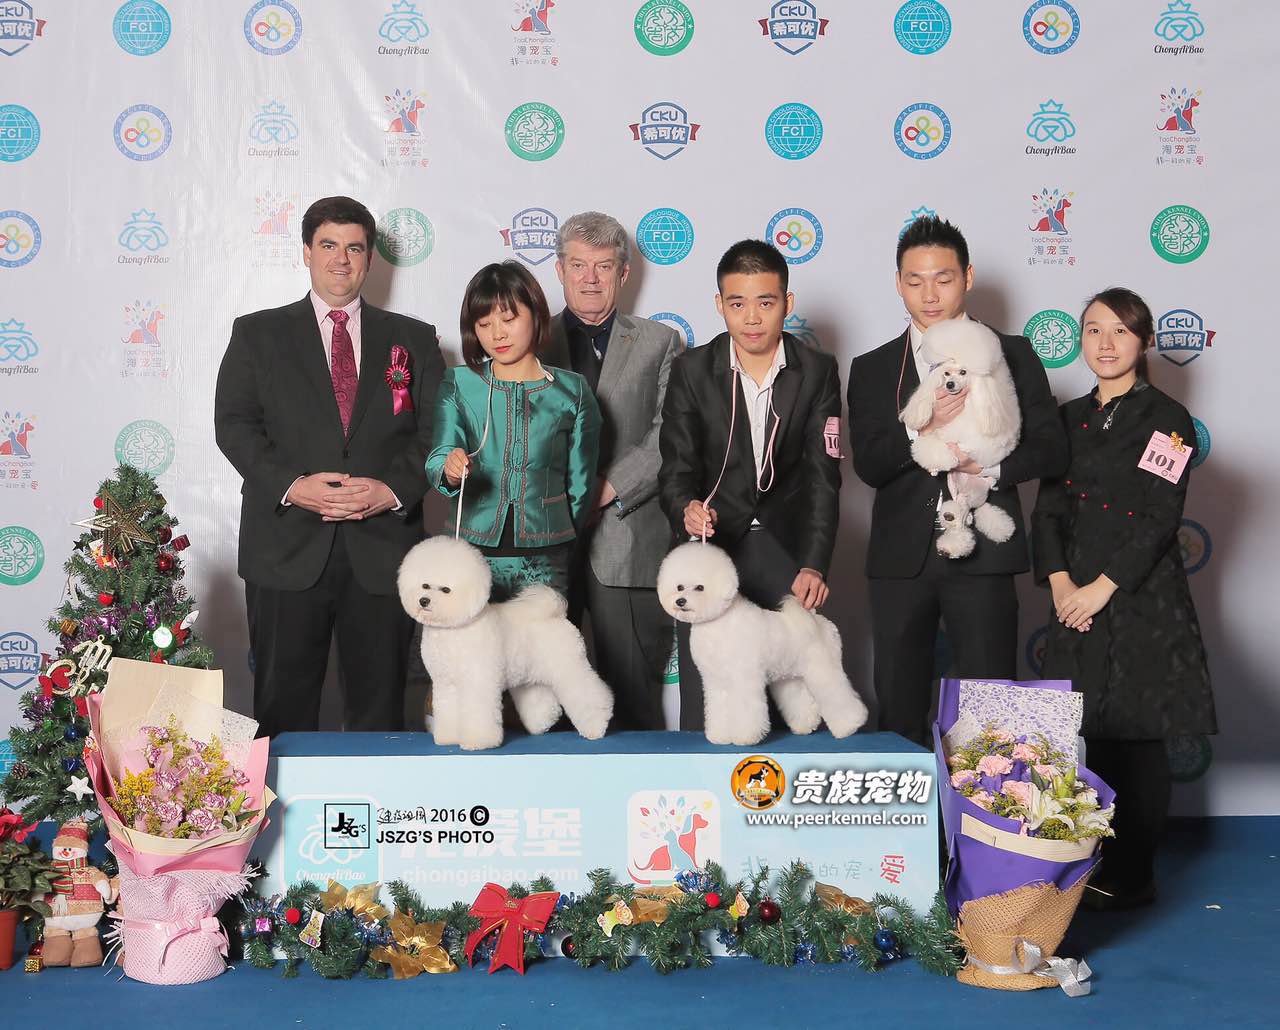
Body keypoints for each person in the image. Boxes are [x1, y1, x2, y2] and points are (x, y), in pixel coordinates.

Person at [214, 195, 445, 737]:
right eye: (328, 245)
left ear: (371, 258)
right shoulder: (257, 334)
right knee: (282, 713)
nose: (341, 259)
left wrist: (391, 491)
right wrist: (294, 486)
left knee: (380, 714)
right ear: (306, 252)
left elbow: (437, 433)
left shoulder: (413, 338)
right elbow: (235, 426)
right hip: (286, 549)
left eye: (355, 248)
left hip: (383, 549)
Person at [847, 216, 1068, 746]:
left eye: (943, 279)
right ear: (898, 282)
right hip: (901, 560)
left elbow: (1052, 448)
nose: (930, 294)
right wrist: (921, 429)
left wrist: (989, 469)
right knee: (898, 707)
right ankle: (907, 804)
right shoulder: (873, 366)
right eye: (915, 280)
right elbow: (869, 465)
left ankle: (989, 803)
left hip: (985, 557)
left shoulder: (1012, 352)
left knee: (992, 708)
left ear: (967, 277)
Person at [1032, 286, 1215, 909]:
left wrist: (1101, 589)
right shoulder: (1065, 420)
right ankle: (1087, 864)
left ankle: (1134, 875)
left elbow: (1161, 516)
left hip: (1140, 599)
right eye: (1093, 330)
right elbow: (1047, 512)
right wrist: (1062, 585)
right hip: (1074, 600)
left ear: (1144, 341)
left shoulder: (1169, 419)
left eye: (1120, 331)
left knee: (1139, 739)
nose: (1106, 343)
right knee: (1090, 735)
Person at [659, 239, 842, 731]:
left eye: (766, 302)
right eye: (738, 304)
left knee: (796, 698)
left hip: (787, 549)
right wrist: (686, 508)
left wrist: (814, 563)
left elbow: (824, 476)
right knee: (709, 699)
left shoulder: (817, 370)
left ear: (787, 302)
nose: (752, 318)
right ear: (720, 305)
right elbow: (675, 467)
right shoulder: (692, 369)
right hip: (713, 552)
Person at [543, 212, 684, 730]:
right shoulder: (528, 336)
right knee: (543, 700)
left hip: (627, 539)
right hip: (544, 543)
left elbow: (671, 432)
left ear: (623, 273)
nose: (590, 278)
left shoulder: (660, 341)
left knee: (633, 703)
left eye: (603, 266)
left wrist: (607, 488)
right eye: (578, 265)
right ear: (560, 269)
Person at [426, 261, 601, 601]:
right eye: (484, 324)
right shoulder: (459, 383)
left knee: (542, 636)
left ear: (536, 314)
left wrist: (561, 533)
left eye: (508, 319)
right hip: (471, 550)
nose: (497, 334)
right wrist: (449, 468)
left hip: (547, 555)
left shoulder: (573, 390)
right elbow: (439, 455)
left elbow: (581, 483)